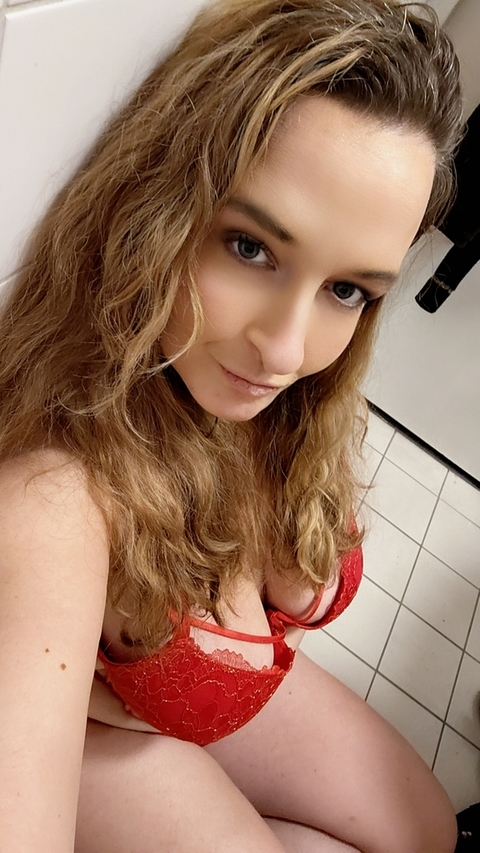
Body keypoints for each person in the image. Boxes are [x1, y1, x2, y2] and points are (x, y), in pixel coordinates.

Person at [0, 1, 464, 851]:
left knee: (427, 829)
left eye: (348, 289)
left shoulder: (285, 401)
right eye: (251, 247)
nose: (286, 351)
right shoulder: (54, 501)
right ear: (161, 207)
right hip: (105, 747)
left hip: (194, 712)